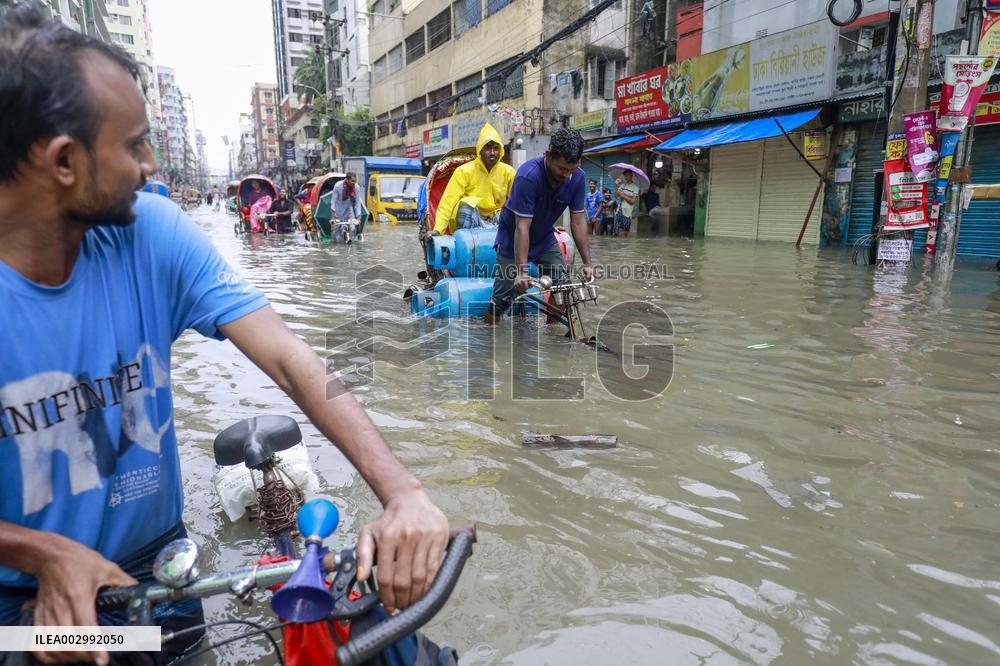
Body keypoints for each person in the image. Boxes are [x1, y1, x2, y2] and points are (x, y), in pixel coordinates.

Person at [0, 7, 448, 665]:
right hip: (27, 606)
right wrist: (41, 553)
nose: (151, 165)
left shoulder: (150, 232)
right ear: (64, 161)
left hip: (161, 570)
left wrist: (403, 492)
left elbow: (293, 360)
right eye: (133, 146)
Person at [486, 128, 594, 324]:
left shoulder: (577, 177)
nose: (566, 175)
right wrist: (521, 271)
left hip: (544, 237)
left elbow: (578, 221)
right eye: (562, 168)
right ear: (548, 156)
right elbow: (522, 227)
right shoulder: (528, 176)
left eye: (571, 168)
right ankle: (488, 333)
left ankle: (550, 338)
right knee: (502, 299)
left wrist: (587, 263)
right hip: (513, 237)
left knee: (563, 287)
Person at [432, 123, 515, 235]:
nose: (492, 153)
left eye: (496, 149)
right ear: (480, 150)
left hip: (497, 221)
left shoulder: (509, 172)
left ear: (500, 151)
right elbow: (447, 203)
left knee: (510, 210)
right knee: (466, 204)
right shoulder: (463, 171)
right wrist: (437, 230)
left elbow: (518, 202)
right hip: (470, 221)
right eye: (487, 148)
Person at [330, 172, 362, 242]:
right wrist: (332, 218)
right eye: (352, 181)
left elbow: (357, 203)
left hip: (349, 211)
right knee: (335, 234)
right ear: (347, 180)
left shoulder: (356, 187)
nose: (354, 183)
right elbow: (333, 201)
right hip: (338, 212)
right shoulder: (338, 186)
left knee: (352, 228)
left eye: (355, 181)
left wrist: (358, 218)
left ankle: (351, 244)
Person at [614, 170, 639, 238]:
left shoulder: (635, 187)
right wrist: (616, 185)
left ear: (631, 176)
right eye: (626, 175)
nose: (627, 176)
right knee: (616, 230)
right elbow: (616, 196)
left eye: (629, 175)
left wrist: (623, 195)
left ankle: (625, 247)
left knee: (626, 231)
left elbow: (633, 201)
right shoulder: (622, 185)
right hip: (620, 209)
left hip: (628, 212)